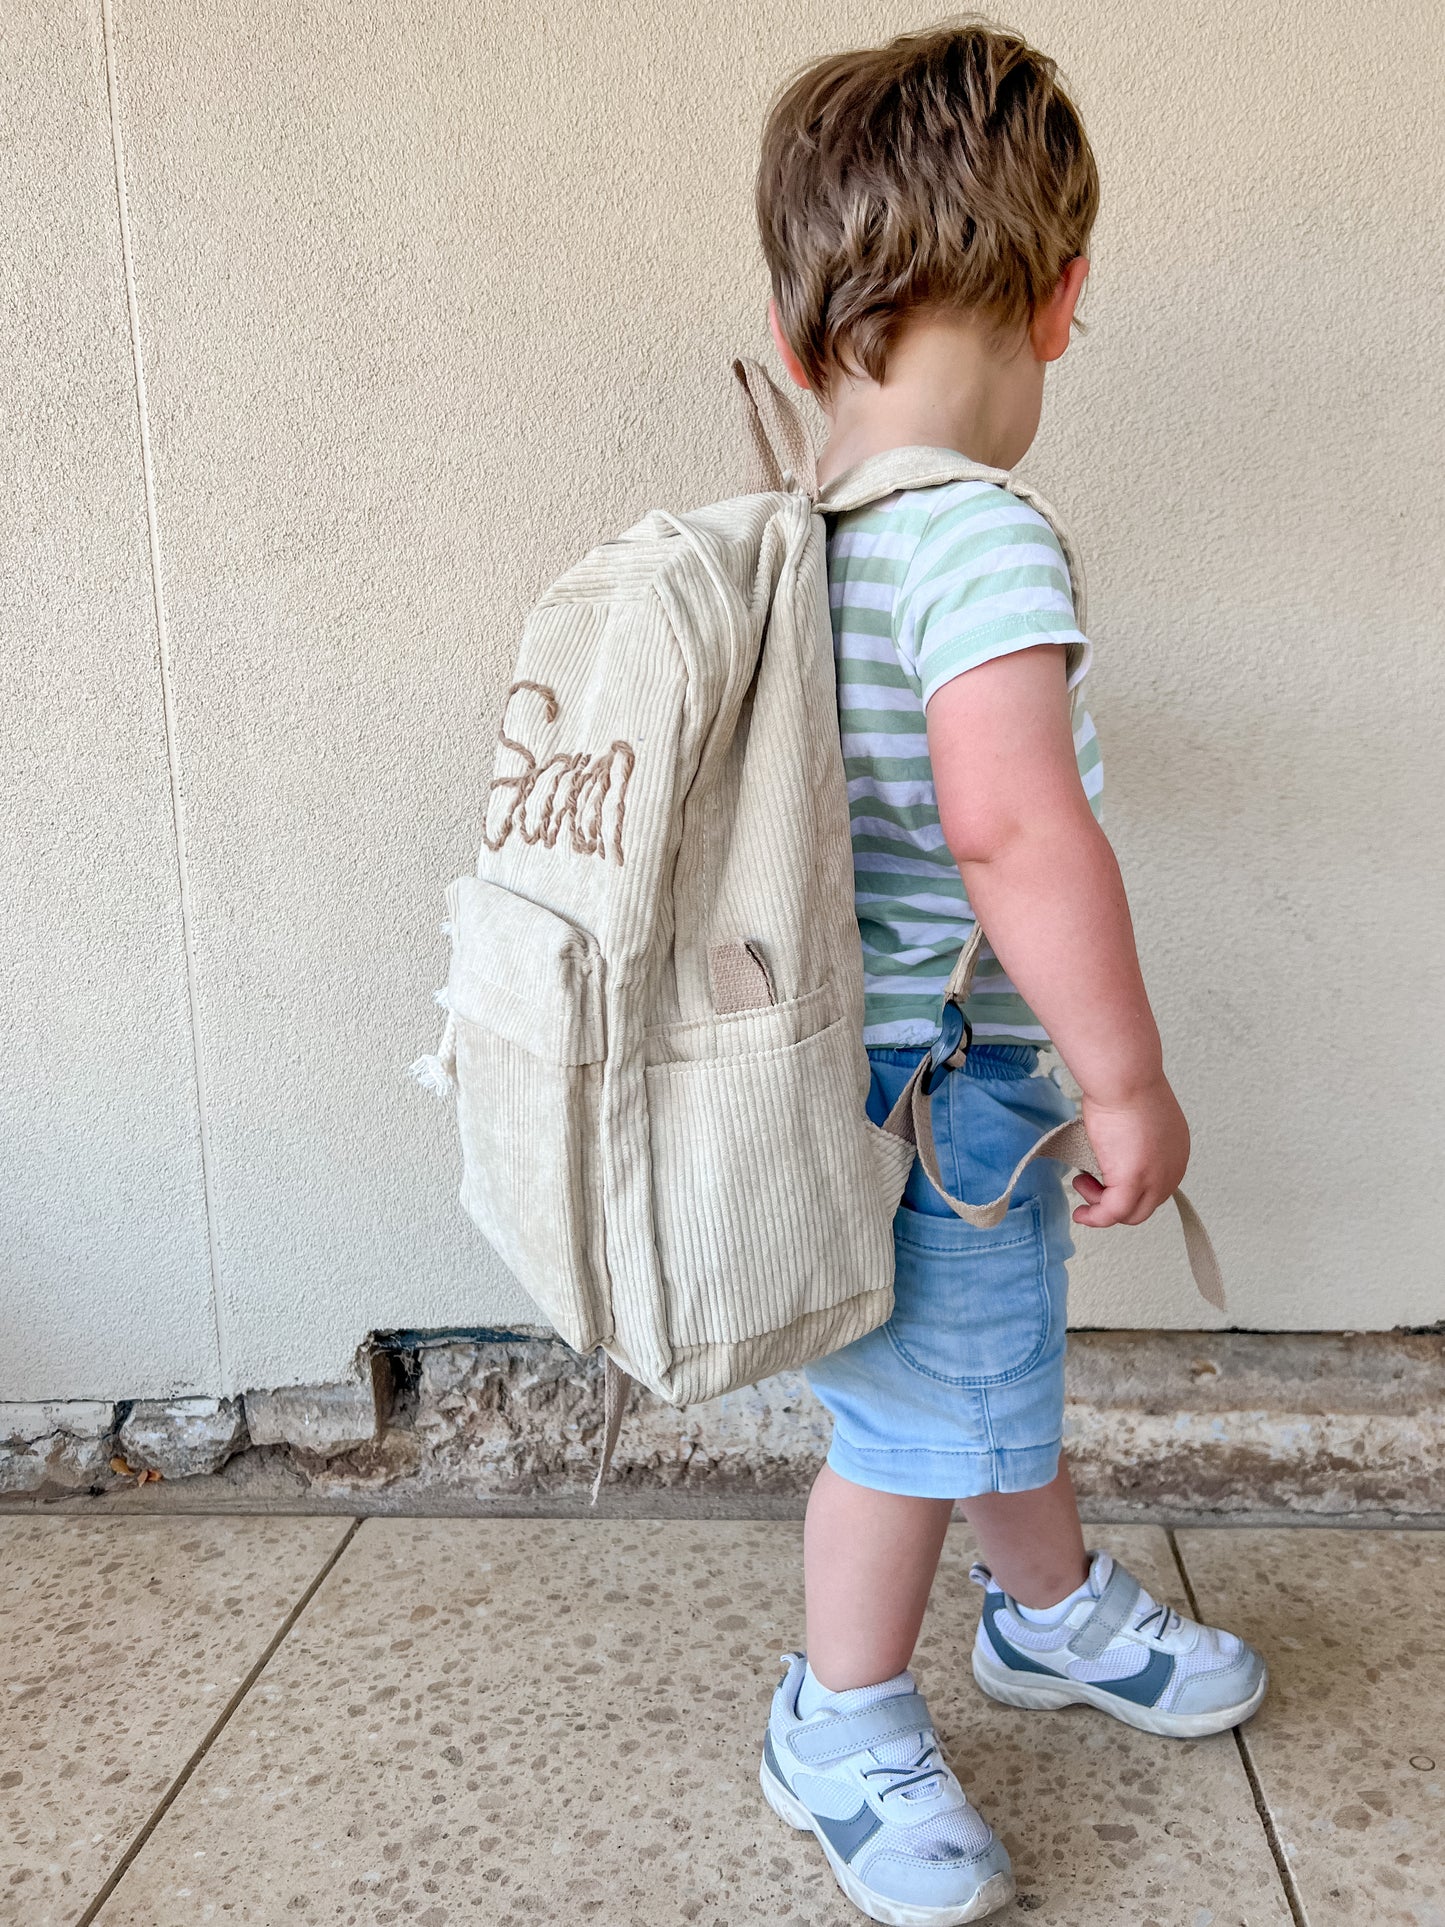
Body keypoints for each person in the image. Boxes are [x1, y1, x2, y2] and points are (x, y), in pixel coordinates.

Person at [753, 23, 1266, 1923]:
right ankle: (840, 1715)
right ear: (1062, 304)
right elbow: (1012, 836)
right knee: (906, 1432)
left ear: (805, 343)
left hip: (823, 1062)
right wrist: (1125, 1081)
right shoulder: (975, 542)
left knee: (970, 1373)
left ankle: (1042, 1608)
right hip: (946, 1090)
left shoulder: (796, 540)